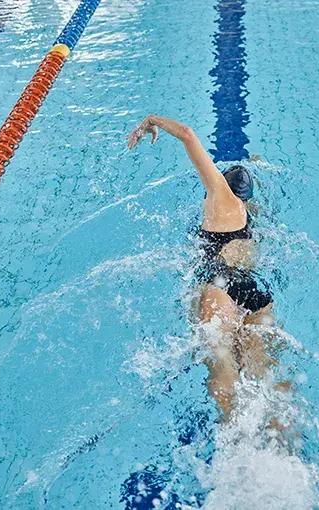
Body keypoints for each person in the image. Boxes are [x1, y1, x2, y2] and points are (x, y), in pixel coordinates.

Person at [127, 114, 280, 423]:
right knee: (264, 374)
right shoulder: (249, 214)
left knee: (222, 366)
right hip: (257, 291)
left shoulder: (220, 199)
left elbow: (187, 134)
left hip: (220, 284)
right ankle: (280, 440)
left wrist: (151, 120)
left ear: (224, 185)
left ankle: (232, 436)